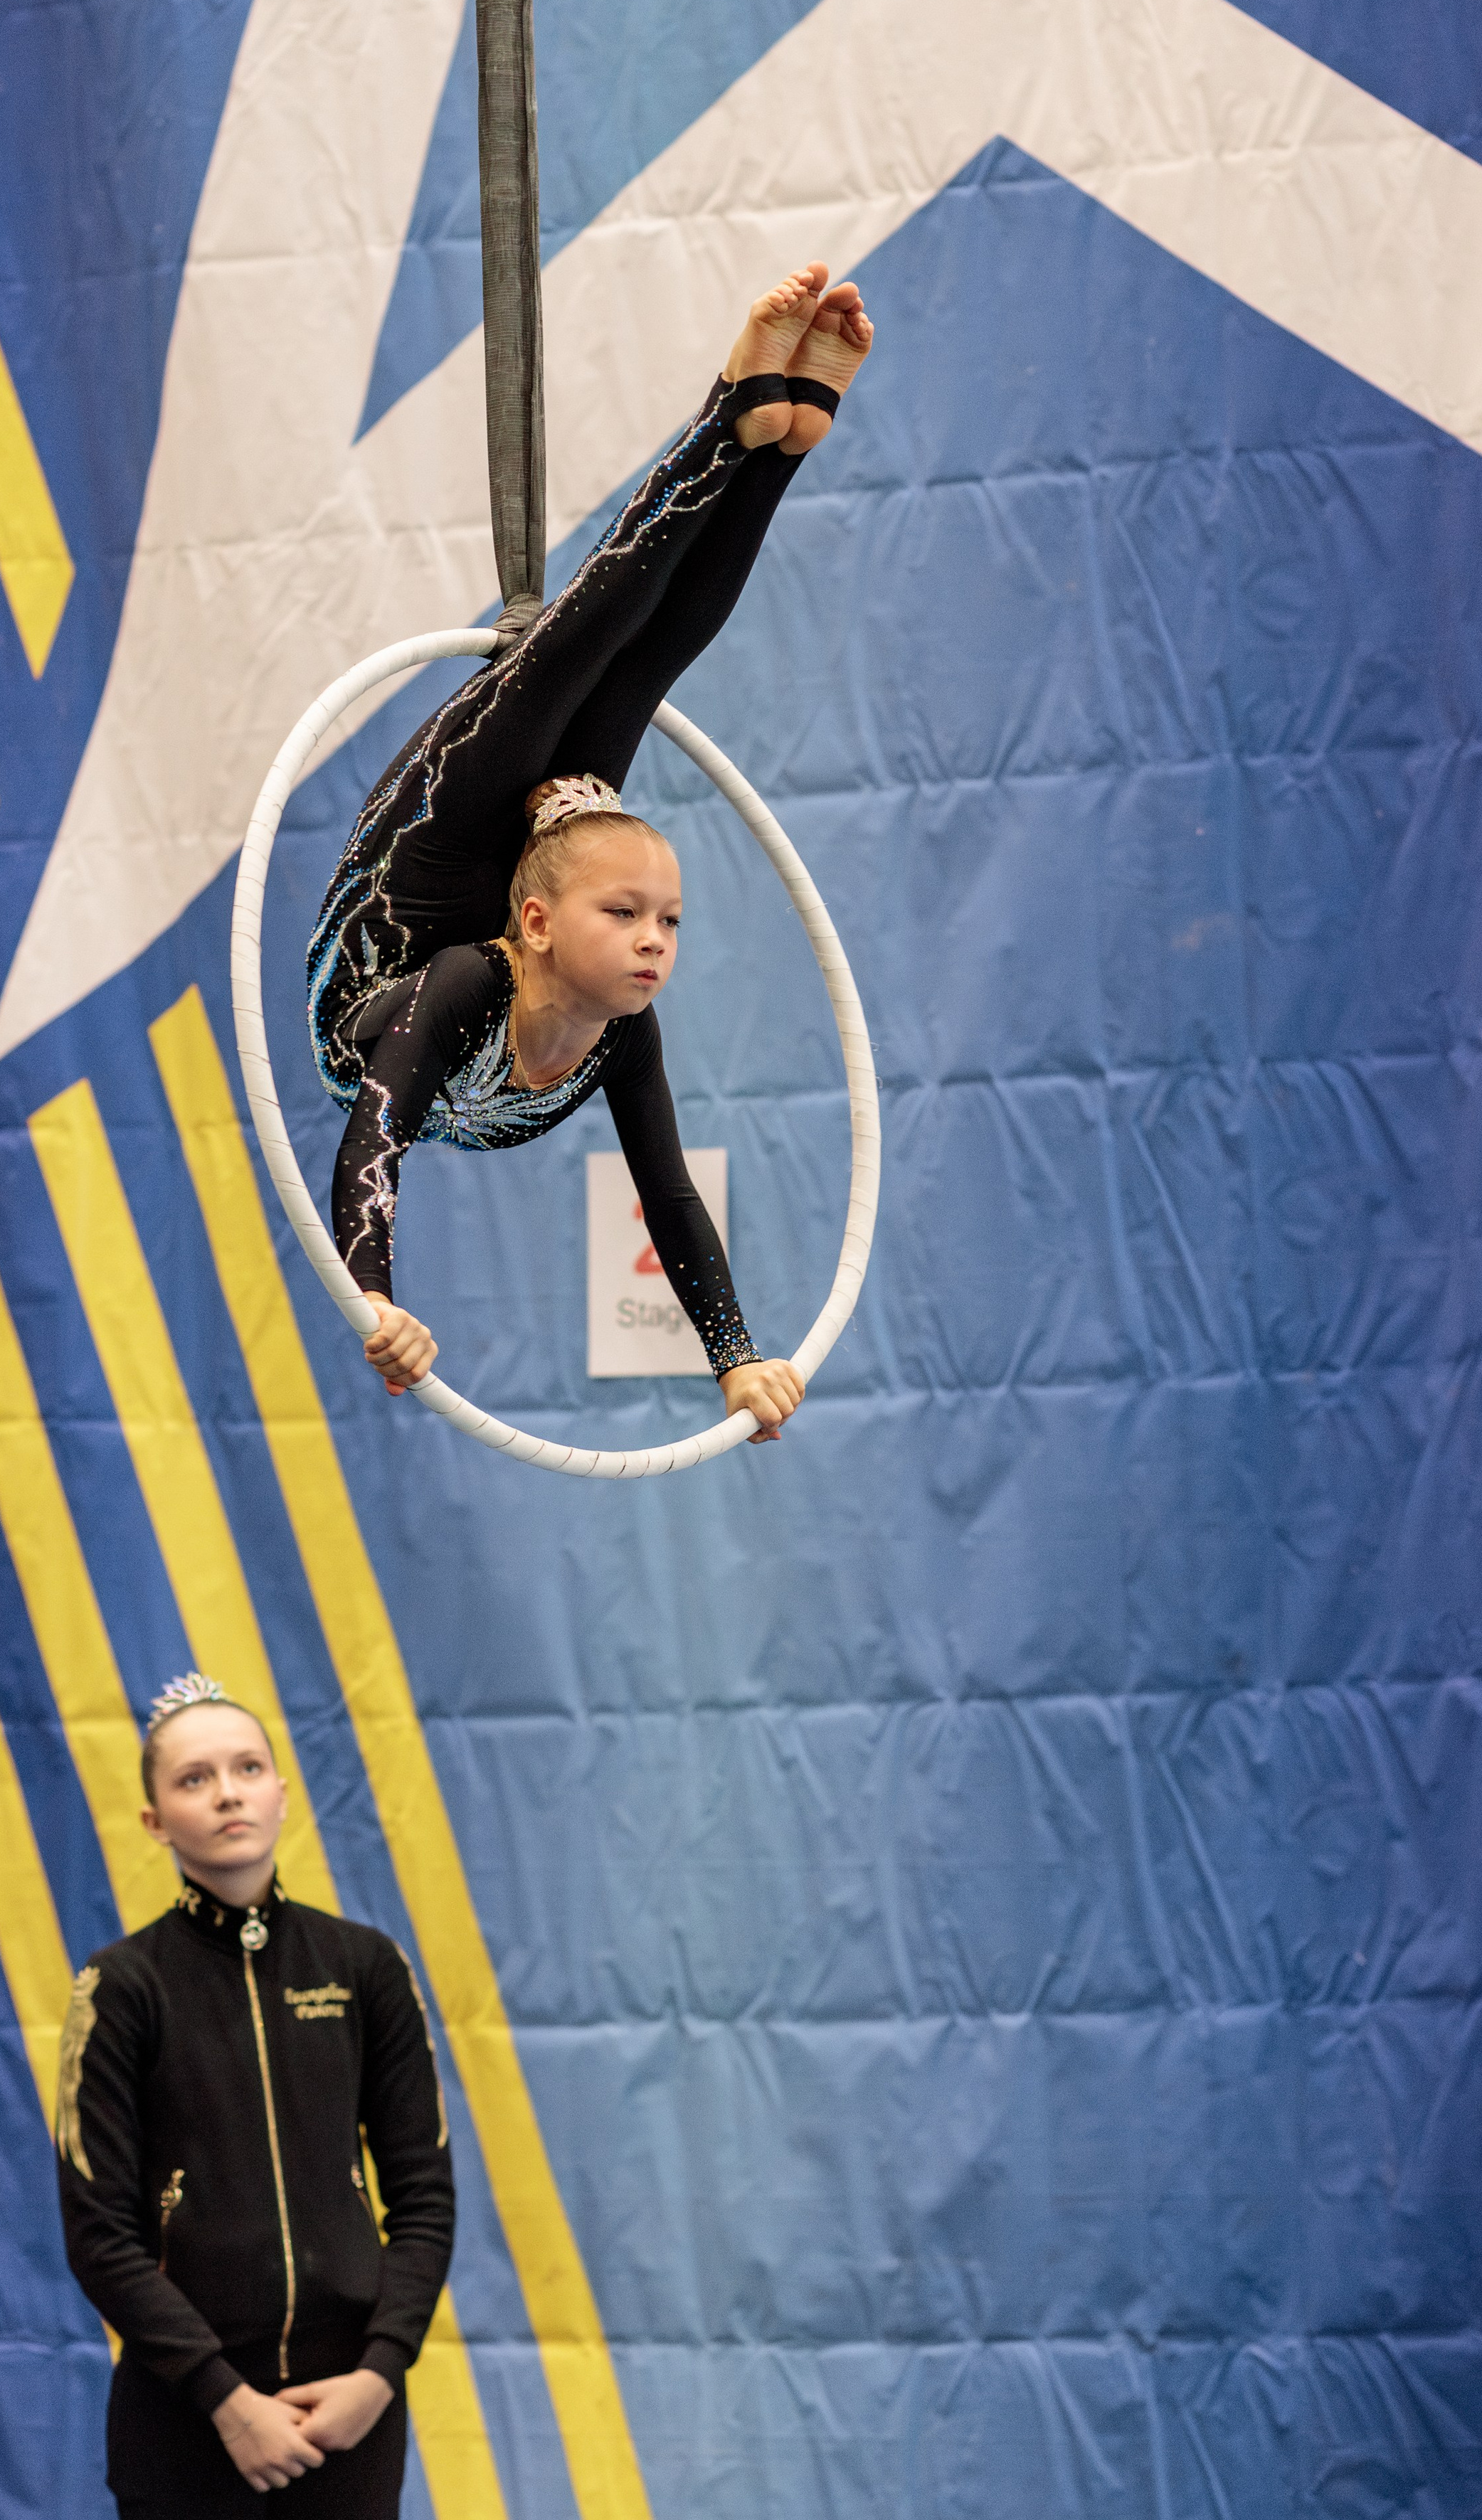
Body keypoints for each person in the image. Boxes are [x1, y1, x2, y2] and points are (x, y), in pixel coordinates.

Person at [307, 262, 874, 1442]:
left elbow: (665, 1191)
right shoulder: (494, 987)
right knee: (613, 650)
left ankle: (754, 429)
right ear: (548, 927)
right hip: (491, 885)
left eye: (667, 921)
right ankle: (756, 433)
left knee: (585, 660)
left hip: (407, 886)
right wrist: (375, 1298)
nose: (657, 943)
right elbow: (381, 1143)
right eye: (633, 918)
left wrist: (736, 1365)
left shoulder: (590, 1013)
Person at [57, 1676, 453, 2511]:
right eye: (194, 1778)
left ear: (282, 1791)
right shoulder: (122, 1986)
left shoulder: (365, 1966)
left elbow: (423, 2202)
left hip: (349, 2412)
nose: (228, 1791)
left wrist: (379, 2374)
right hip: (185, 2414)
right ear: (155, 1820)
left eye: (247, 1767)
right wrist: (224, 2401)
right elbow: (101, 2237)